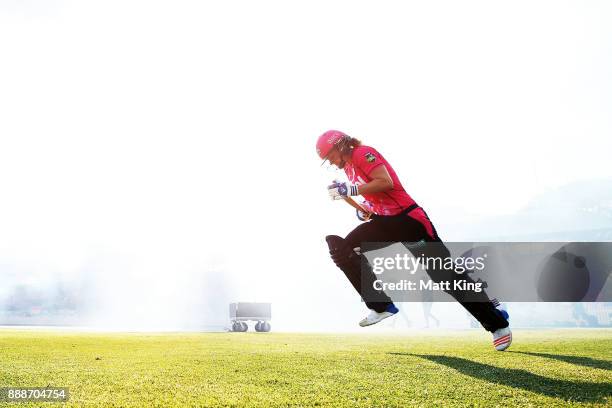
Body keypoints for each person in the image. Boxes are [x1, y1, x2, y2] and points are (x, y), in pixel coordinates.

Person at [317, 130, 512, 351]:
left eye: (330, 156)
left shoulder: (364, 153)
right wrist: (352, 203)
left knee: (445, 277)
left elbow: (386, 183)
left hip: (409, 222)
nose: (331, 162)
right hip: (386, 223)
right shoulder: (350, 169)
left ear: (340, 146)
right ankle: (381, 306)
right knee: (342, 250)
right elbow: (370, 205)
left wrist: (350, 189)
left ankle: (497, 323)